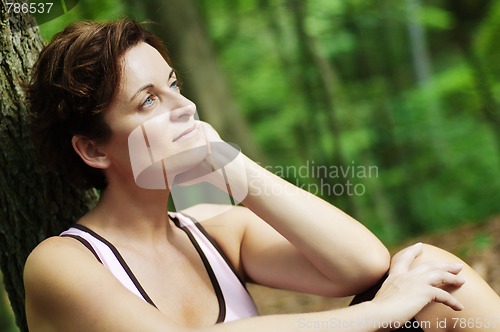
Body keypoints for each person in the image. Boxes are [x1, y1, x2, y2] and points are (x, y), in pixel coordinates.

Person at [24, 18, 499, 332]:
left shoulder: (215, 229)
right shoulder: (61, 263)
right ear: (92, 148)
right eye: (148, 101)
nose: (186, 109)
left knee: (433, 274)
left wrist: (237, 169)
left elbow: (365, 266)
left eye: (174, 86)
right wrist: (379, 313)